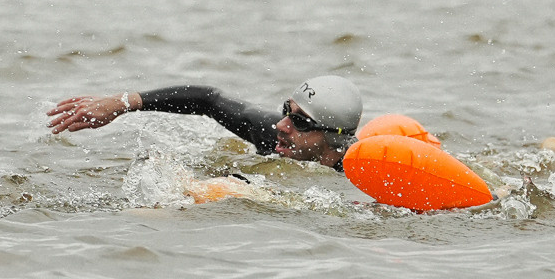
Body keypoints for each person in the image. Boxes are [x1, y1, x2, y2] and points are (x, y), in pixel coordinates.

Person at [46, 74, 364, 166]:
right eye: (286, 111)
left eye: (301, 122)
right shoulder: (272, 135)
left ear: (333, 137)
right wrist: (123, 102)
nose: (282, 125)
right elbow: (208, 99)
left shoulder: (357, 175)